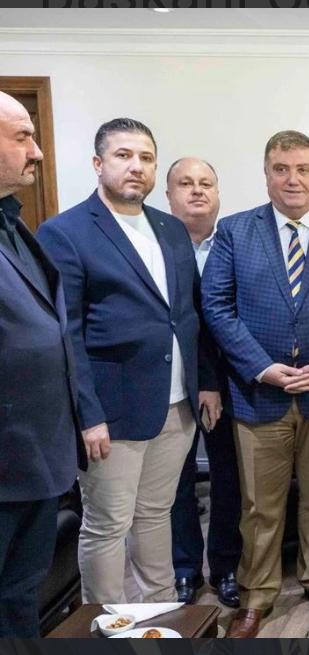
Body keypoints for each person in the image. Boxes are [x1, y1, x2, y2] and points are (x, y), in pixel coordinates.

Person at [201, 130, 309, 638]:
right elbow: (217, 306)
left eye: (303, 169)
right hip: (259, 393)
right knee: (259, 506)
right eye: (281, 169)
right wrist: (261, 367)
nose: (293, 179)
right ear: (267, 175)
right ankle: (256, 595)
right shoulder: (235, 232)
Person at [37, 118, 222, 605]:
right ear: (98, 164)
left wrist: (205, 382)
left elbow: (190, 314)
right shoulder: (65, 233)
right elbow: (67, 334)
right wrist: (87, 415)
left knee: (155, 514)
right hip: (112, 413)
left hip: (177, 405)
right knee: (107, 525)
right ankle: (105, 624)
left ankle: (161, 612)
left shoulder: (171, 228)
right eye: (123, 155)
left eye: (145, 157)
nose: (136, 166)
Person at [0, 91, 81, 637]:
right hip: (8, 460)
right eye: (22, 136)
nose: (38, 151)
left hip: (33, 456)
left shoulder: (15, 223)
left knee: (19, 593)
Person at [165, 157, 242, 609]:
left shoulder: (235, 241)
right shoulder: (155, 244)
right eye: (186, 183)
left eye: (206, 183)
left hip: (230, 383)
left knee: (228, 478)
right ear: (168, 195)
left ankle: (226, 567)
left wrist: (213, 379)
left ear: (217, 194)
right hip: (172, 384)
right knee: (176, 482)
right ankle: (185, 570)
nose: (197, 190)